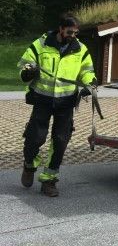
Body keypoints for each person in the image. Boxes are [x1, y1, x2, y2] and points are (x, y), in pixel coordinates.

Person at [17, 15, 96, 197]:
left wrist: (90, 83)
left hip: (66, 103)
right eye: (69, 32)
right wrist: (28, 72)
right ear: (60, 29)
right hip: (42, 100)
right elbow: (24, 66)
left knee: (60, 141)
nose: (73, 36)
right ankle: (29, 165)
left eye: (76, 33)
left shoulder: (80, 49)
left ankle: (49, 181)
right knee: (35, 138)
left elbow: (87, 71)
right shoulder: (41, 44)